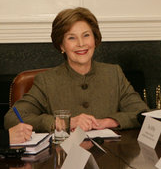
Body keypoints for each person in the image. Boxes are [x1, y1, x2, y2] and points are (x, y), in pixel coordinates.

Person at [4, 7, 149, 132]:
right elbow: (12, 117)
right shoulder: (47, 81)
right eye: (72, 38)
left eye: (86, 35)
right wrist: (63, 122)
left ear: (95, 39)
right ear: (61, 46)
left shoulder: (113, 74)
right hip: (62, 160)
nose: (81, 44)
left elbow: (142, 113)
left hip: (109, 159)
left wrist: (109, 122)